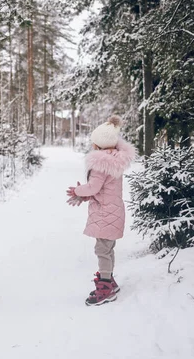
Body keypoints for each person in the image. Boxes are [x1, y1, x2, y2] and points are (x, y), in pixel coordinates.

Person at [66, 115, 136, 306]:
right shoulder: (115, 160)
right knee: (108, 248)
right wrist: (84, 194)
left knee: (102, 250)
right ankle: (109, 280)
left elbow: (94, 188)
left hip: (105, 213)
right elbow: (103, 189)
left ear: (98, 145)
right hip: (113, 211)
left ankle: (105, 286)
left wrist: (78, 191)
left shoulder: (100, 164)